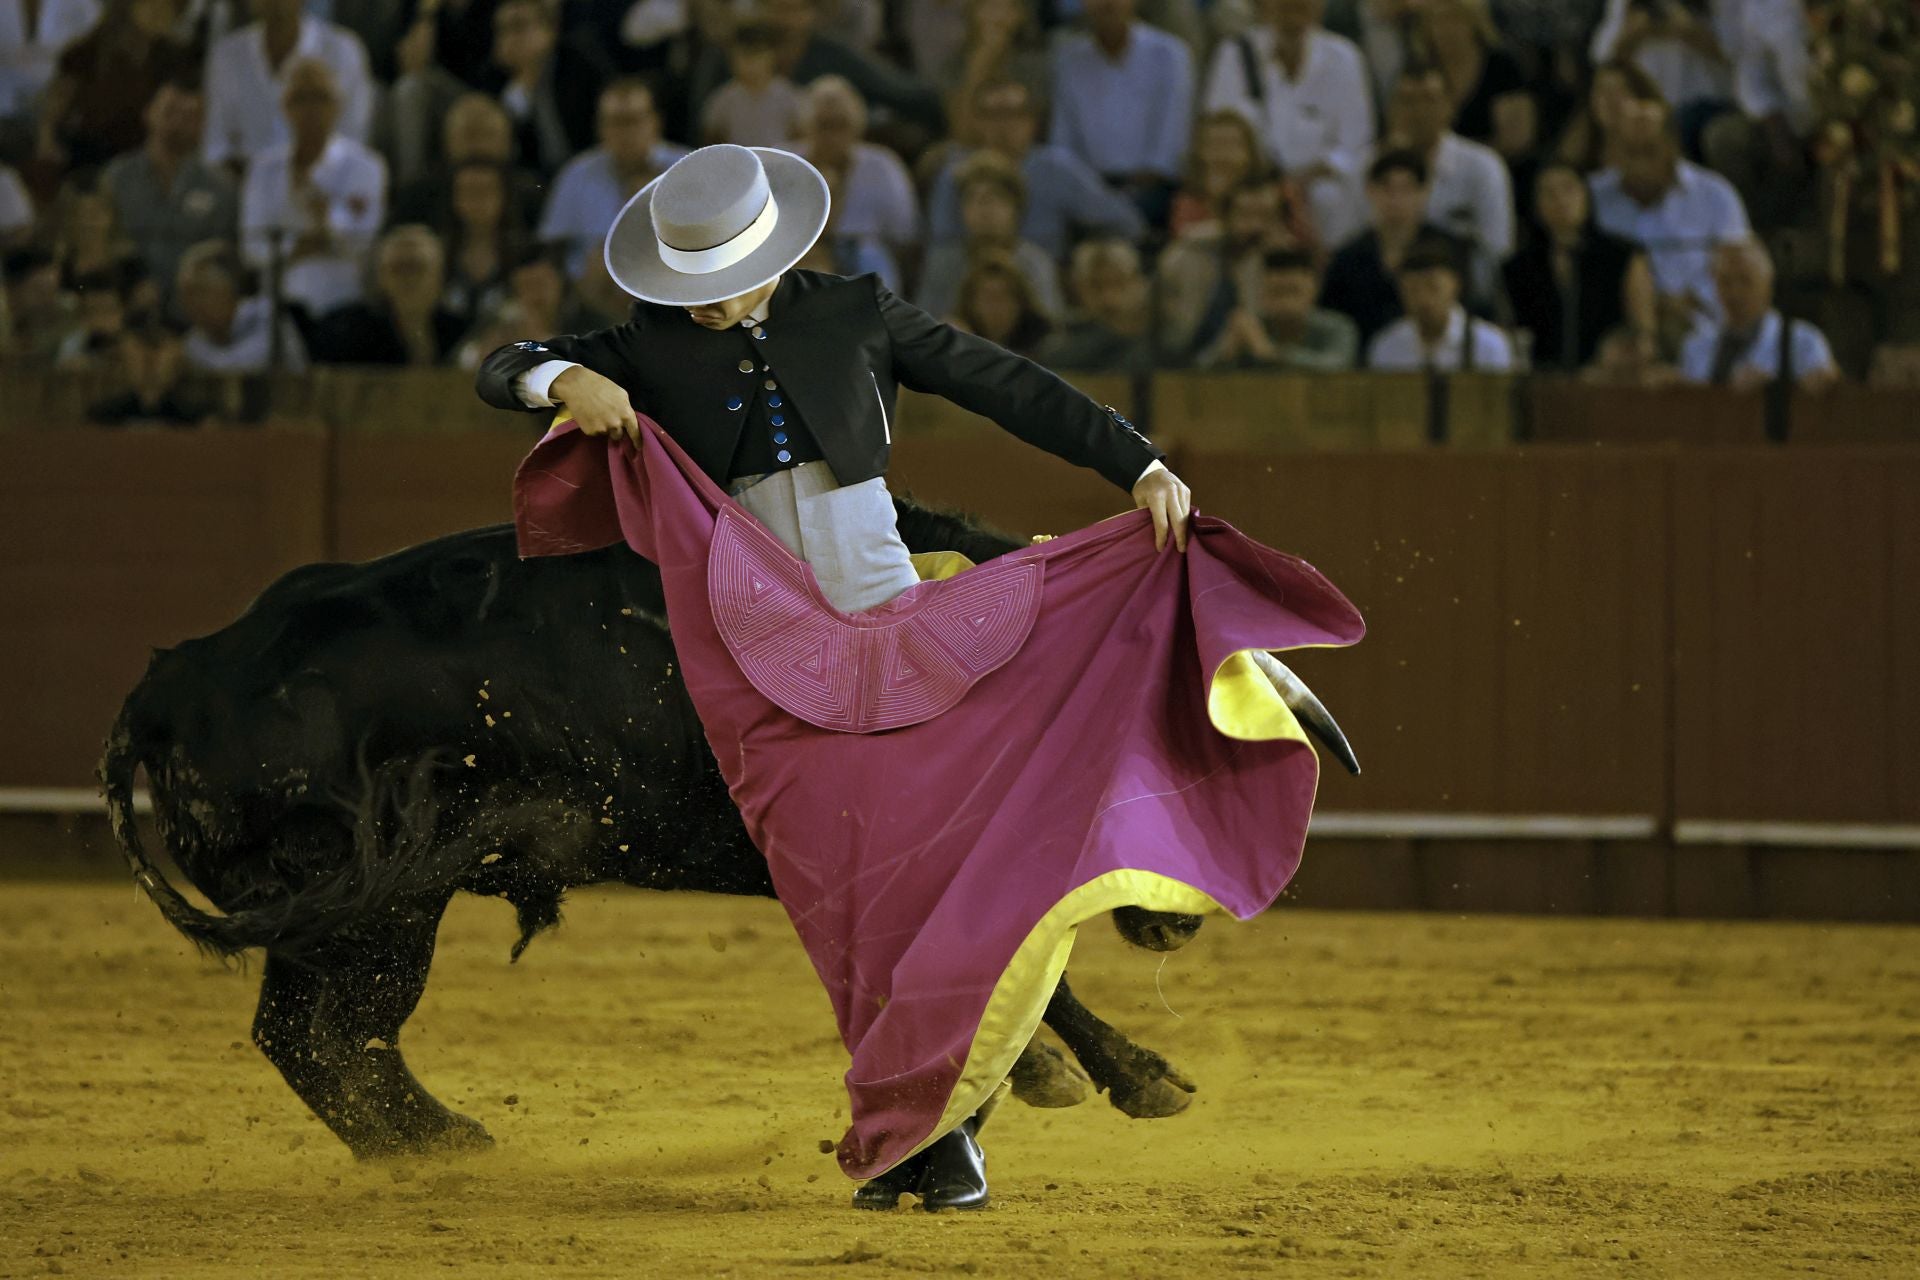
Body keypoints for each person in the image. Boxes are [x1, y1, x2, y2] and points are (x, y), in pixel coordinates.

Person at [477, 143, 1201, 1214]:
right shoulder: (646, 345)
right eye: (695, 288)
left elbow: (1004, 382)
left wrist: (1135, 461)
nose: (711, 307)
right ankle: (922, 1128)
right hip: (760, 663)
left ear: (774, 255)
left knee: (948, 874)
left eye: (729, 283)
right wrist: (562, 378)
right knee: (851, 910)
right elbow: (504, 362)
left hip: (898, 623)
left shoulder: (854, 310)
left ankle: (945, 1133)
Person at [1201, 0, 1375, 248]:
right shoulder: (1235, 53)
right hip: (1251, 180)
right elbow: (1221, 129)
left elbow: (1355, 143)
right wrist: (1269, 183)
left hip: (1320, 184)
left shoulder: (1345, 58)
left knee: (1330, 197)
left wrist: (1301, 181)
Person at [925, 79, 1146, 261]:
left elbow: (1126, 223)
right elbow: (941, 244)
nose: (1003, 125)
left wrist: (1080, 259)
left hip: (1046, 277)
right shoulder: (955, 174)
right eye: (993, 115)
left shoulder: (1057, 168)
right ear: (977, 122)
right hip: (972, 281)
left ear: (1032, 122)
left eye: (1013, 114)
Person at [238, 58, 387, 324]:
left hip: (345, 305)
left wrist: (325, 224)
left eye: (320, 97)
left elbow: (362, 240)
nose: (310, 109)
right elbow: (252, 248)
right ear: (285, 106)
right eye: (300, 98)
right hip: (278, 309)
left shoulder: (365, 166)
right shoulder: (263, 169)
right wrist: (304, 245)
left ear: (338, 105)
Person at [1588, 95, 1749, 339]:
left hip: (1703, 330)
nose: (1640, 164)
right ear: (1612, 151)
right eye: (1631, 151)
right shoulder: (1592, 197)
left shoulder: (1716, 196)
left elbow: (1741, 268)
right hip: (1615, 332)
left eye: (1649, 151)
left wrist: (1691, 300)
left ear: (1672, 146)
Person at [1048, 0, 1195, 228]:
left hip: (1155, 190)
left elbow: (1171, 142)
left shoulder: (1169, 54)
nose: (1108, 3)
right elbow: (1063, 142)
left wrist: (1128, 193)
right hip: (1088, 187)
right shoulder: (1069, 60)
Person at [101, 80, 240, 302]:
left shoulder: (221, 187)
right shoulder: (118, 178)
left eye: (190, 115)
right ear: (148, 113)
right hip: (129, 302)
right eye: (170, 110)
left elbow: (227, 254)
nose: (178, 122)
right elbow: (105, 241)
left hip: (197, 305)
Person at [1318, 148, 1470, 349]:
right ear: (1370, 191)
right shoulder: (1348, 258)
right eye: (1387, 189)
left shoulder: (1450, 249)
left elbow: (1469, 306)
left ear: (1424, 192)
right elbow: (1334, 316)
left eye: (1406, 189)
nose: (1396, 199)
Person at [538, 78, 689, 280]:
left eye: (633, 121)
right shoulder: (577, 174)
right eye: (615, 123)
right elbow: (552, 246)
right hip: (589, 286)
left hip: (667, 279)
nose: (625, 132)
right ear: (600, 127)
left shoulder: (686, 168)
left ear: (655, 122)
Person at [1502, 160, 1646, 370]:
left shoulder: (1623, 256)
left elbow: (1643, 330)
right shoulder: (1517, 268)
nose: (1560, 200)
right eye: (1549, 193)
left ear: (1586, 195)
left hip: (1609, 377)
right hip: (1542, 378)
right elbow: (1512, 334)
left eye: (1568, 189)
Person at [203, 0, 375, 170]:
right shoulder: (227, 55)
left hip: (326, 180)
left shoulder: (343, 51)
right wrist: (260, 182)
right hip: (240, 181)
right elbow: (216, 145)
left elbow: (352, 142)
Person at [915, 149, 1062, 321]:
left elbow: (1050, 325)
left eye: (994, 197)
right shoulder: (943, 263)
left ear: (1016, 207)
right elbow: (922, 324)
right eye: (972, 198)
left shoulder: (1036, 263)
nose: (983, 208)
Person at [1677, 237, 1837, 390]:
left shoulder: (1804, 342)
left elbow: (1825, 395)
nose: (1734, 292)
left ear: (1767, 284)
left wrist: (1774, 386)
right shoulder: (1695, 346)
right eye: (1725, 281)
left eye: (1745, 280)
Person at [309, 224, 466, 365]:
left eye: (417, 267)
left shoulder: (461, 334)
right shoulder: (345, 332)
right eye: (398, 268)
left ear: (440, 276)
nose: (408, 278)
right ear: (381, 277)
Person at [1197, 247, 1359, 370]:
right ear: (1260, 294)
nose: (1286, 302)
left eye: (1293, 291)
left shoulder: (1337, 327)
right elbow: (1196, 370)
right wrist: (1225, 352)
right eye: (1276, 292)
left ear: (1313, 292)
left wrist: (1273, 354)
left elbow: (1339, 367)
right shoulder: (1249, 327)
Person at [1366, 238, 1515, 369]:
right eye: (1413, 290)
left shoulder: (1489, 345)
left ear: (1455, 285)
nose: (1424, 299)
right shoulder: (1387, 346)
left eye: (1433, 288)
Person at [176, 238, 308, 372]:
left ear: (229, 288)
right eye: (184, 295)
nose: (189, 303)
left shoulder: (266, 317)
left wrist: (184, 361)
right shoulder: (195, 339)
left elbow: (249, 365)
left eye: (199, 291)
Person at [1037, 237, 1155, 374]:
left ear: (1138, 284)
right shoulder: (1064, 339)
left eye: (1119, 283)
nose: (1108, 298)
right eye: (1096, 286)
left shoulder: (1159, 337)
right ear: (1080, 289)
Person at [700, 20, 806, 147]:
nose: (751, 64)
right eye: (743, 56)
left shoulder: (791, 96)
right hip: (738, 159)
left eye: (757, 55)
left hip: (779, 158)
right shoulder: (722, 100)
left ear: (772, 56)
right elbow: (711, 142)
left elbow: (801, 140)